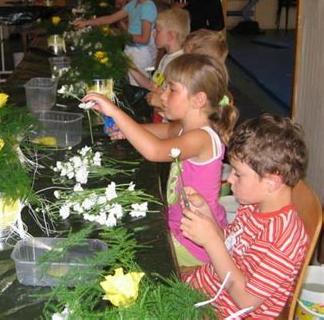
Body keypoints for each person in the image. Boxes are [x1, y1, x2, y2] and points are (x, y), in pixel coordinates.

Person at [83, 54, 238, 266]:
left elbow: (155, 150)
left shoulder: (201, 137)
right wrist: (125, 131)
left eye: (172, 89)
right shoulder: (188, 126)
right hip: (178, 225)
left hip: (192, 244)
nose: (163, 95)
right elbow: (164, 130)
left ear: (198, 99)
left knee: (122, 250)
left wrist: (114, 111)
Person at [180, 114, 308, 318]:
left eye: (238, 174)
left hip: (218, 312)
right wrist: (206, 214)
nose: (230, 178)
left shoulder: (286, 238)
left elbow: (246, 300)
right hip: (205, 290)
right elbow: (230, 245)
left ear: (271, 183)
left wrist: (211, 241)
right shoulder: (253, 206)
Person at [75, 0, 163, 87]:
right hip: (131, 49)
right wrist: (87, 22)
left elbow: (144, 39)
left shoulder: (148, 7)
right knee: (129, 84)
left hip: (141, 54)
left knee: (138, 88)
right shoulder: (134, 3)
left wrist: (122, 35)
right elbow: (111, 18)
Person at [132, 8, 190, 122]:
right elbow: (152, 85)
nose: (153, 35)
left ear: (171, 36)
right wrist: (130, 66)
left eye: (157, 31)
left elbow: (180, 107)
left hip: (168, 122)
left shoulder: (178, 64)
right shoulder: (166, 57)